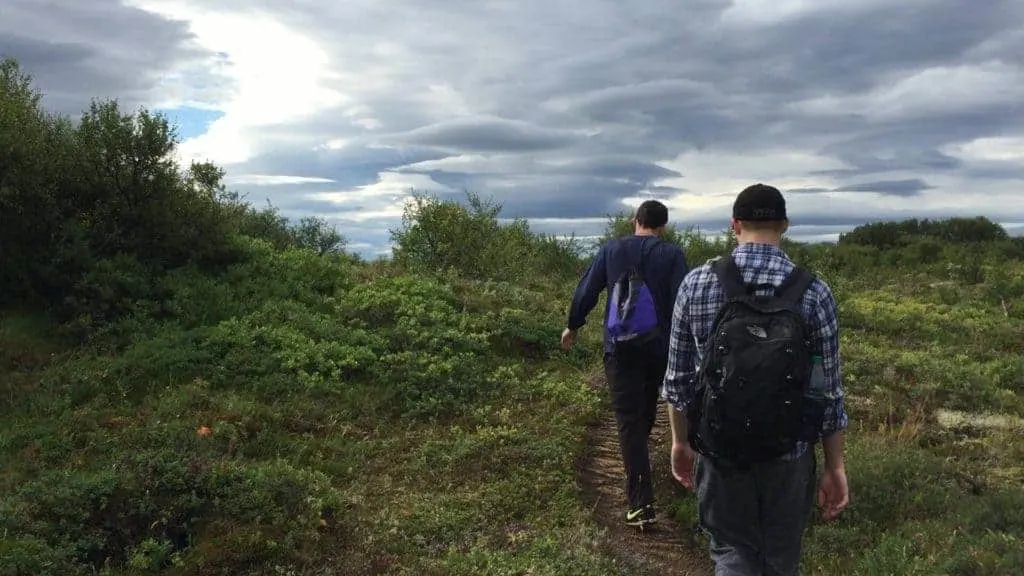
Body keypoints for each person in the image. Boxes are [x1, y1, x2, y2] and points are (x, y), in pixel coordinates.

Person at [662, 183, 850, 575]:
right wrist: (835, 467)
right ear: (785, 225)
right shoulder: (815, 293)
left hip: (719, 453)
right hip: (789, 456)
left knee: (731, 554)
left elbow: (678, 385)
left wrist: (681, 442)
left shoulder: (696, 284)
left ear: (735, 225)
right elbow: (828, 395)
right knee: (781, 560)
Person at [561, 199, 689, 528]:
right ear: (663, 226)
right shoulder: (672, 254)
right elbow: (681, 301)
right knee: (645, 415)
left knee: (630, 422)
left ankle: (640, 502)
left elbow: (587, 288)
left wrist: (573, 324)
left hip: (619, 350)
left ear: (636, 220)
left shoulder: (612, 249)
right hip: (660, 348)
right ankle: (644, 480)